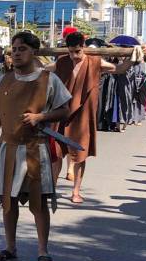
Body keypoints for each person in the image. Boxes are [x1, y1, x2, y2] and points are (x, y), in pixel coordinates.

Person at [0, 31, 72, 261]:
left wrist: (41, 116)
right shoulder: (3, 80)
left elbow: (66, 110)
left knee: (39, 202)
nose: (16, 53)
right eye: (14, 49)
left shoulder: (48, 79)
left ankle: (43, 251)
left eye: (22, 49)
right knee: (8, 202)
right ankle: (10, 247)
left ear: (34, 51)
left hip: (36, 148)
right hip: (8, 148)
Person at [45, 32, 115, 203]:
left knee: (80, 156)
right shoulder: (62, 62)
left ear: (83, 47)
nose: (74, 56)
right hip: (61, 113)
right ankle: (52, 188)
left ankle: (76, 191)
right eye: (70, 52)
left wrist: (134, 58)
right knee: (56, 155)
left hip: (83, 115)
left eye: (77, 52)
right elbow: (44, 69)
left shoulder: (95, 62)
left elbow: (118, 69)